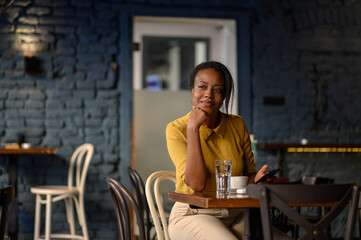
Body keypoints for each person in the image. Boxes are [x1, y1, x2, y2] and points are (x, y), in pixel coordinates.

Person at [166, 61, 270, 240]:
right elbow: (197, 185)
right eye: (202, 87)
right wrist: (192, 128)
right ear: (192, 91)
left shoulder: (236, 124)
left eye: (217, 89)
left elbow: (247, 177)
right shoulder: (176, 129)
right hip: (193, 214)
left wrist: (257, 180)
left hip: (236, 214)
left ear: (224, 96)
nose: (208, 95)